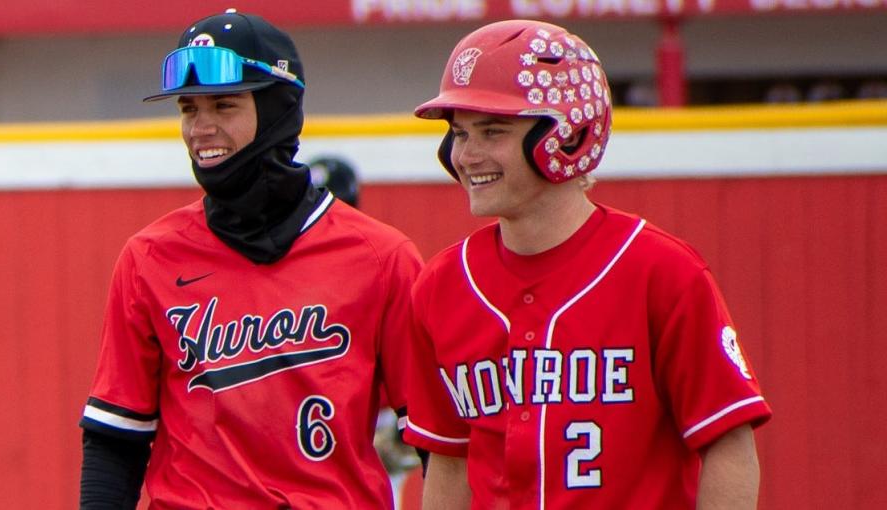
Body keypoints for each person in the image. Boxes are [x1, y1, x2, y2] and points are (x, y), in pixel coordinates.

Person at [403, 20, 772, 509]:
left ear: (569, 134)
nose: (467, 154)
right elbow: (448, 464)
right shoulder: (442, 284)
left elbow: (729, 445)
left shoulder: (660, 271)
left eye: (492, 131)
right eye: (459, 133)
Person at [78, 9, 423, 509]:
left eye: (224, 105)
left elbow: (439, 440)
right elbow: (116, 439)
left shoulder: (381, 257)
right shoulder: (149, 257)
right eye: (188, 109)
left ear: (279, 107)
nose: (202, 127)